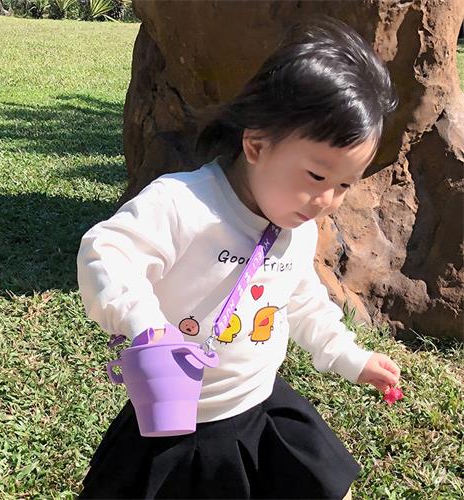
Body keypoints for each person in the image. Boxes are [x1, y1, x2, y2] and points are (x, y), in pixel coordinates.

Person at [76, 17, 401, 500]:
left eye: (343, 185)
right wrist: (146, 325)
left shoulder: (297, 230)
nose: (327, 200)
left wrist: (351, 358)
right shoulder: (184, 204)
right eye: (316, 176)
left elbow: (304, 303)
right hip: (174, 424)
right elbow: (105, 252)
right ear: (256, 144)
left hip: (260, 407)